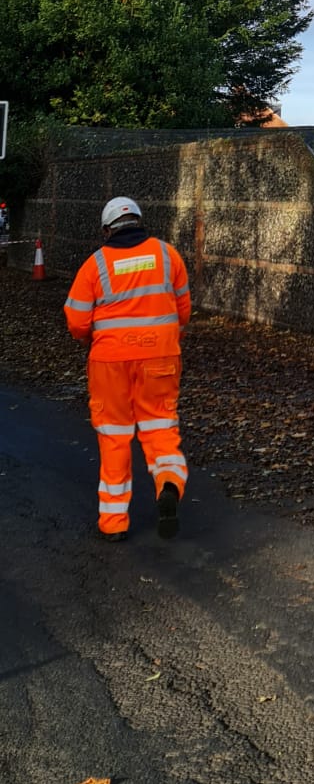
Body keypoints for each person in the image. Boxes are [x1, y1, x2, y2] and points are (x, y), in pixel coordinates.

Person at [64, 196, 191, 542]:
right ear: (138, 220)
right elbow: (183, 309)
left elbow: (76, 320)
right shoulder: (168, 255)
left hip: (109, 364)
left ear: (107, 229)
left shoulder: (96, 265)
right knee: (161, 428)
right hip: (161, 359)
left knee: (115, 437)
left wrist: (92, 340)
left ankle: (114, 523)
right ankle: (168, 484)